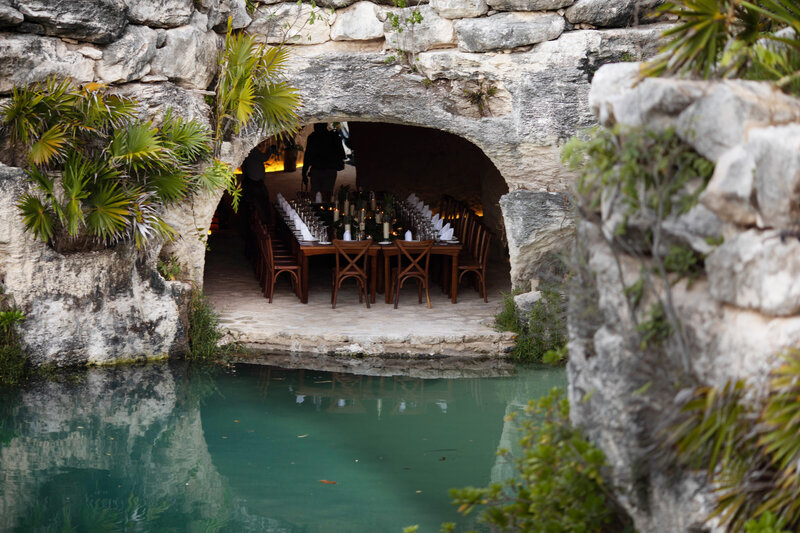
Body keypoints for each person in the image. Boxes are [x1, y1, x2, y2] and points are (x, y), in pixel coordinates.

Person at [302, 123, 346, 196]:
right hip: (329, 170)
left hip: (317, 170)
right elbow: (340, 155)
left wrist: (304, 172)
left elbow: (307, 156)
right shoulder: (332, 136)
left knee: (316, 195)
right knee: (327, 195)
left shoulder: (312, 137)